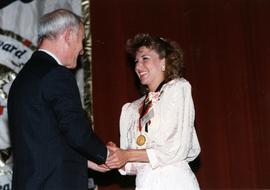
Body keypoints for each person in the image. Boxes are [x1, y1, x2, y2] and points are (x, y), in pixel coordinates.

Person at [7, 9, 110, 190]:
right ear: (68, 35)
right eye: (82, 40)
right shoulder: (56, 74)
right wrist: (106, 154)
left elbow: (44, 140)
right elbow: (75, 131)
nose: (81, 50)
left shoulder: (22, 79)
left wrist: (86, 160)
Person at [106, 33, 201, 189]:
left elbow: (174, 149)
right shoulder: (132, 109)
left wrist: (127, 154)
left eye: (145, 58)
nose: (138, 66)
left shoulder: (177, 89)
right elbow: (137, 164)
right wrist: (114, 157)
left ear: (164, 61)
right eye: (136, 61)